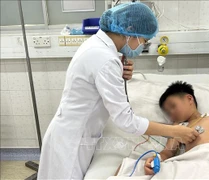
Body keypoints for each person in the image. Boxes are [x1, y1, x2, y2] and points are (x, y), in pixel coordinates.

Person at [38, 3, 199, 179]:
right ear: (130, 31)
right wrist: (174, 131)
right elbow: (126, 121)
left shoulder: (100, 48)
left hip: (75, 134)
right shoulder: (105, 58)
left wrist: (119, 73)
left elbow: (97, 81)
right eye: (144, 40)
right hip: (71, 142)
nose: (143, 45)